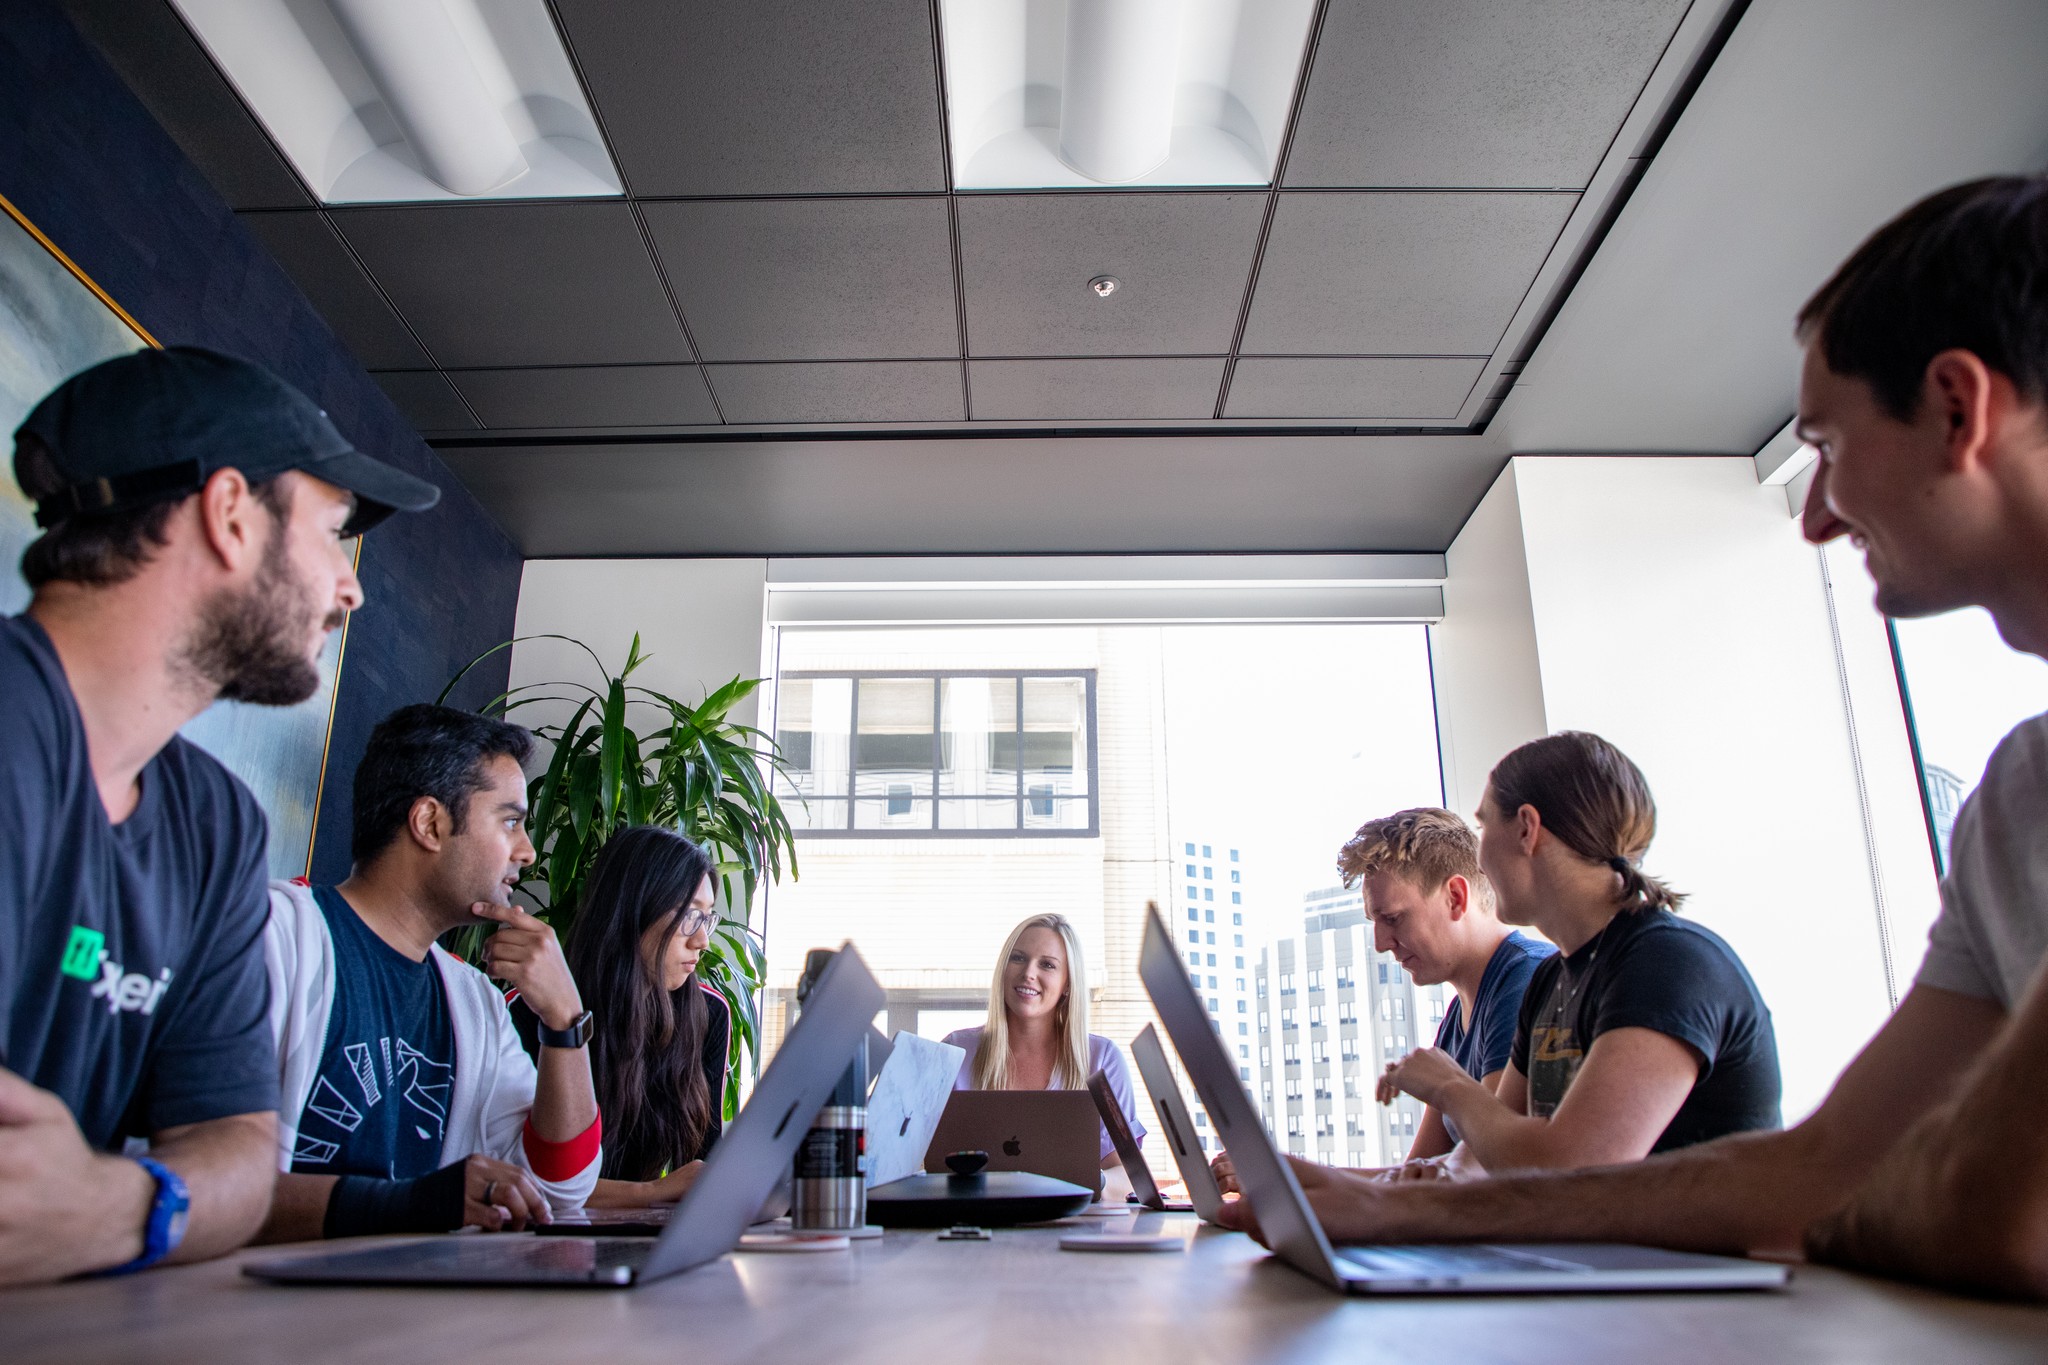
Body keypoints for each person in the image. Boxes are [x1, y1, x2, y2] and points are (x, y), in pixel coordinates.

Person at [1219, 174, 2048, 1300]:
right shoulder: (2013, 797)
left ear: (1956, 408)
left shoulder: (1662, 962)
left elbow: (1987, 1212)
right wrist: (1386, 1205)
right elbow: (1823, 1172)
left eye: (1825, 445)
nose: (1810, 515)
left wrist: (1410, 1199)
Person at [0, 348, 438, 1284]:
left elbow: (240, 1154)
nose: (350, 587)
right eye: (332, 533)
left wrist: (122, 1205)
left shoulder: (217, 827)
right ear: (230, 514)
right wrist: (154, 1196)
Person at [259, 705, 601, 1240]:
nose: (529, 852)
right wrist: (411, 1204)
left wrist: (565, 1021)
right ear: (431, 824)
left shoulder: (474, 1001)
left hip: (414, 1315)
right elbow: (201, 1183)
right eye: (510, 821)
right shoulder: (276, 937)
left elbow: (561, 1189)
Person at [1375, 734, 1780, 1176]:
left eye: (1484, 826)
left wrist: (1448, 1085)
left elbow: (1569, 1168)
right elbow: (1483, 1164)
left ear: (1527, 828)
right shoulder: (1550, 980)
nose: (1481, 856)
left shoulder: (1667, 963)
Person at [1349, 808, 1554, 1173]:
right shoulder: (1458, 1015)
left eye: (1393, 918)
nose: (1381, 943)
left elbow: (1481, 1167)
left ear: (1456, 897)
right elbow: (1415, 1171)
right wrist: (1290, 1177)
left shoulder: (1525, 980)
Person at [545, 825, 729, 1208]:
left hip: (639, 1238)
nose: (702, 941)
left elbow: (704, 1169)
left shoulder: (709, 1013)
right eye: (690, 915)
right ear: (634, 907)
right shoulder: (544, 1009)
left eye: (707, 918)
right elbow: (532, 1182)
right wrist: (649, 1193)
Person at [944, 913, 1146, 1171]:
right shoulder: (955, 1052)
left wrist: (1088, 1185)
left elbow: (1127, 1172)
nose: (1028, 973)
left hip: (1073, 1212)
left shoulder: (1102, 1059)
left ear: (1067, 984)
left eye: (1047, 965)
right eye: (1018, 958)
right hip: (976, 1210)